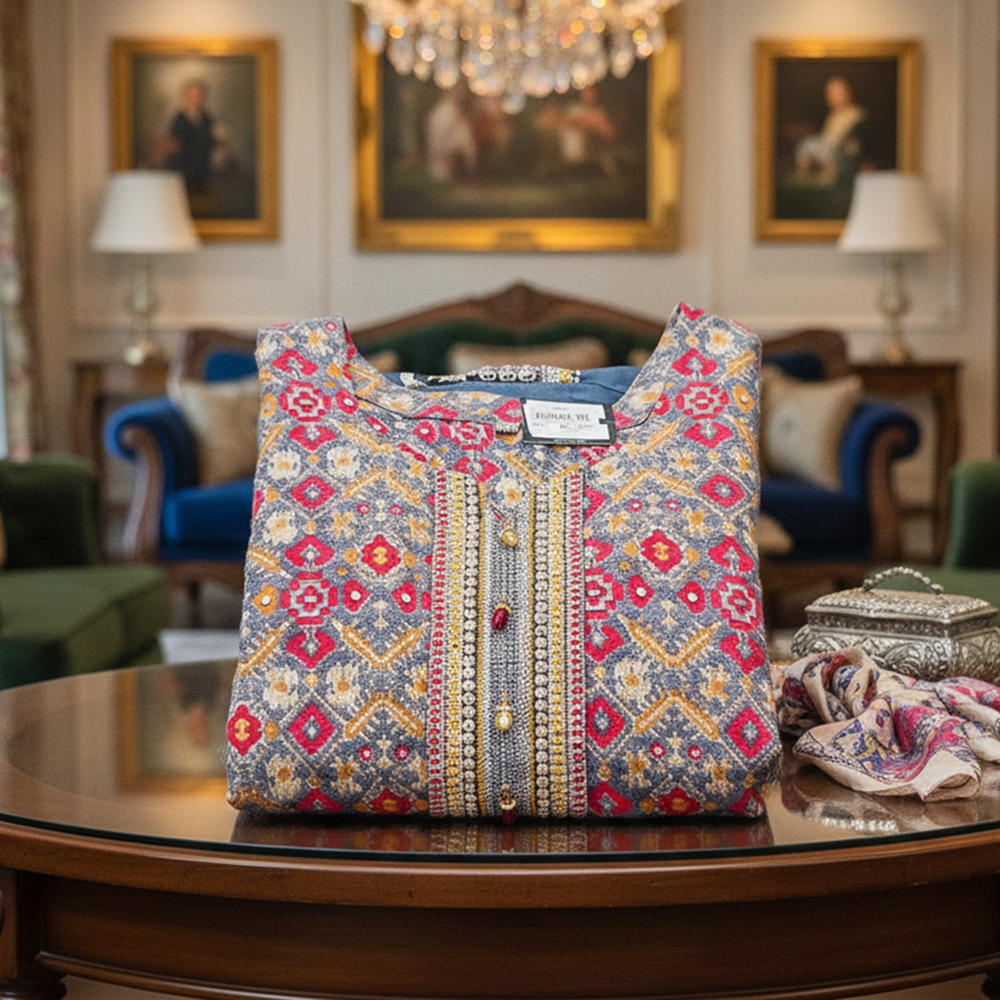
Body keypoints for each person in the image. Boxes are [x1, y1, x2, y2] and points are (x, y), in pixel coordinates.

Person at [793, 75, 867, 188]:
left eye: (837, 94)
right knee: (806, 146)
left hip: (841, 151)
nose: (832, 98)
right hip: (827, 147)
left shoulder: (857, 114)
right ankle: (804, 181)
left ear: (847, 93)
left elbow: (853, 142)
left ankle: (827, 180)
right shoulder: (833, 116)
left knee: (810, 146)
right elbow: (826, 137)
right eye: (830, 95)